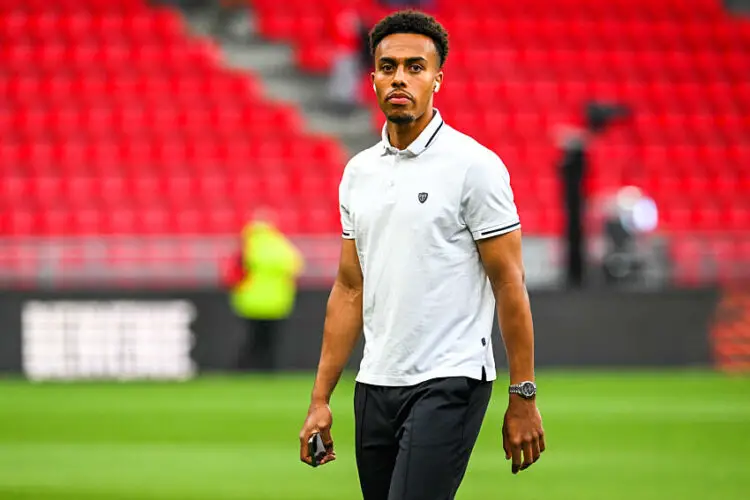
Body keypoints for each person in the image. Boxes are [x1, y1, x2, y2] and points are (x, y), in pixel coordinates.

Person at [298, 10, 545, 499]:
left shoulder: (474, 167)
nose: (400, 78)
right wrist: (320, 398)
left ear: (437, 79)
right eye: (388, 67)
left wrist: (523, 393)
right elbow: (349, 285)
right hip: (375, 382)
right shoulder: (358, 173)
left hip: (450, 379)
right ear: (372, 79)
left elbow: (509, 282)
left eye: (415, 67)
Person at [225, 208, 304, 372]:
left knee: (251, 341)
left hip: (249, 301)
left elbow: (233, 272)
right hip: (277, 301)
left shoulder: (247, 246)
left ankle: (244, 371)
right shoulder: (281, 244)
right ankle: (269, 371)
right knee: (271, 341)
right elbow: (296, 266)